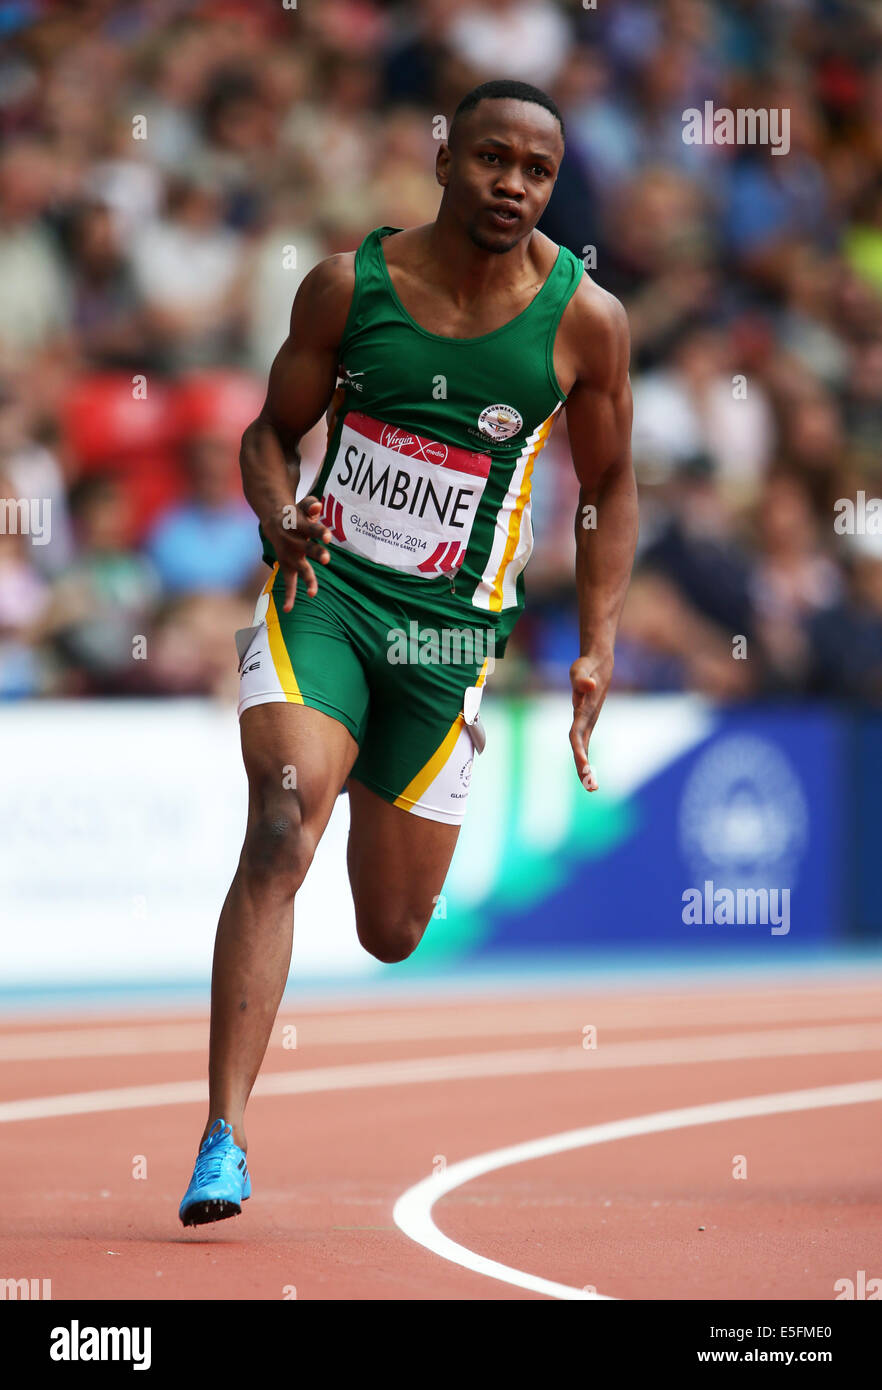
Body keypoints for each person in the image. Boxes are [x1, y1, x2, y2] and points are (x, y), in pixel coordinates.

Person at [179, 79, 637, 1226]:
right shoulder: (349, 285)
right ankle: (223, 1133)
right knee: (282, 822)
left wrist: (597, 642)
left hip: (448, 642)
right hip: (323, 597)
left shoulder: (587, 323)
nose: (513, 186)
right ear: (445, 160)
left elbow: (613, 485)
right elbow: (268, 434)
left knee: (391, 931)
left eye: (536, 172)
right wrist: (279, 513)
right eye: (493, 159)